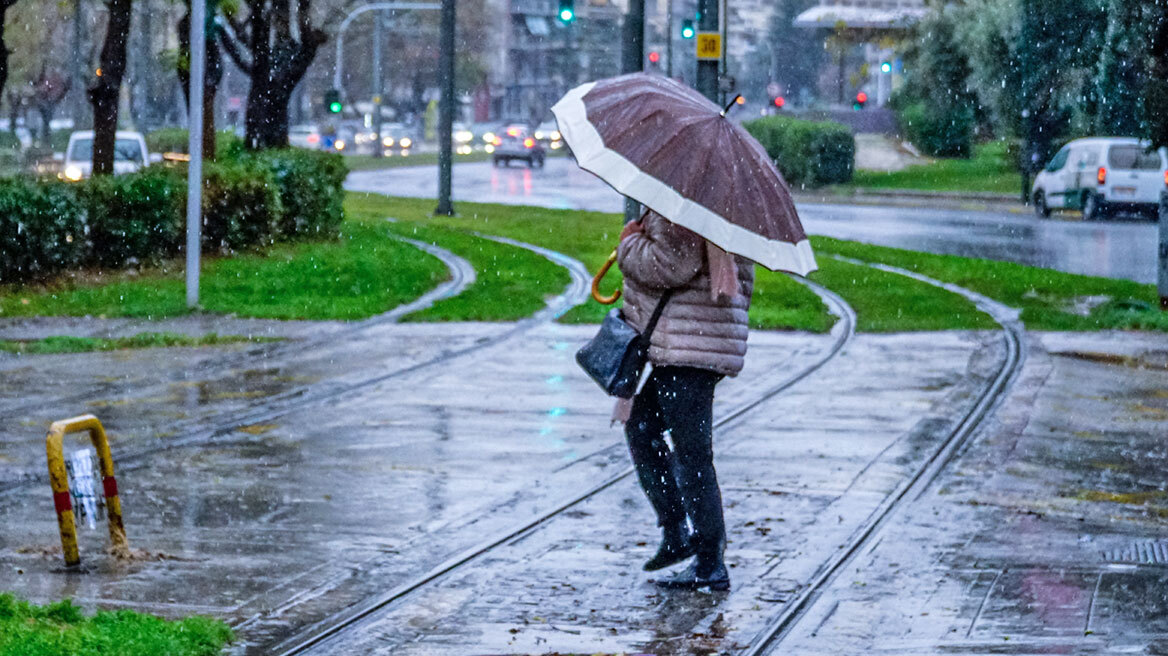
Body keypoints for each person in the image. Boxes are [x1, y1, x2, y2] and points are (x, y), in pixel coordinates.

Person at [616, 209, 754, 592]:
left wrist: (628, 243)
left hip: (689, 343)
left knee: (691, 453)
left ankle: (709, 560)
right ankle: (677, 531)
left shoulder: (684, 208)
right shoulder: (722, 206)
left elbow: (669, 265)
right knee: (642, 428)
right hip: (694, 337)